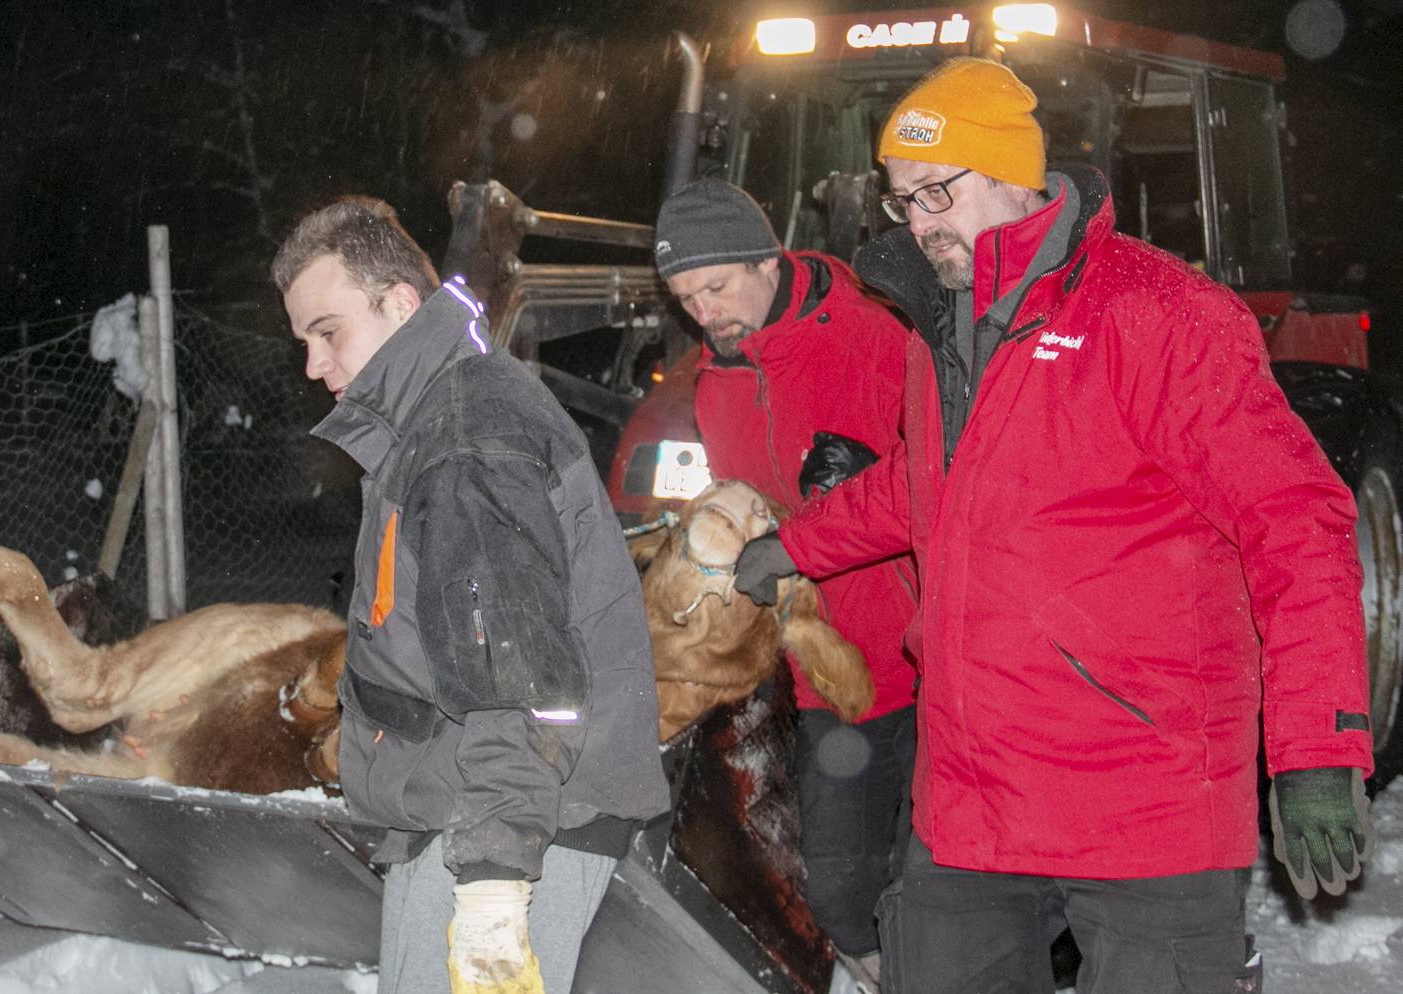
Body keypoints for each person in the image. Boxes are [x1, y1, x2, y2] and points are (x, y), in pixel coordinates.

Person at [732, 57, 1377, 994]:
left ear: (1009, 175)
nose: (917, 222)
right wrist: (787, 547)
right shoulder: (937, 333)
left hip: (1141, 787)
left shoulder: (1158, 313)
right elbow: (918, 493)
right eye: (901, 200)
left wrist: (1318, 745)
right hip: (969, 791)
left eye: (936, 192)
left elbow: (1296, 524)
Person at [273, 196, 669, 994]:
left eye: (328, 332)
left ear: (400, 304)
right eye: (304, 343)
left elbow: (517, 677)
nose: (316, 365)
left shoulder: (464, 440)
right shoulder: (433, 420)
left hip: (514, 827)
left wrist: (493, 880)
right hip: (475, 811)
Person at [653, 177, 918, 992]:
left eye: (718, 285)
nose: (705, 311)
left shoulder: (872, 339)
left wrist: (874, 483)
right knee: (839, 894)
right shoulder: (712, 384)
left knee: (950, 887)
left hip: (920, 652)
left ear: (767, 263)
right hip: (819, 675)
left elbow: (953, 480)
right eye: (685, 295)